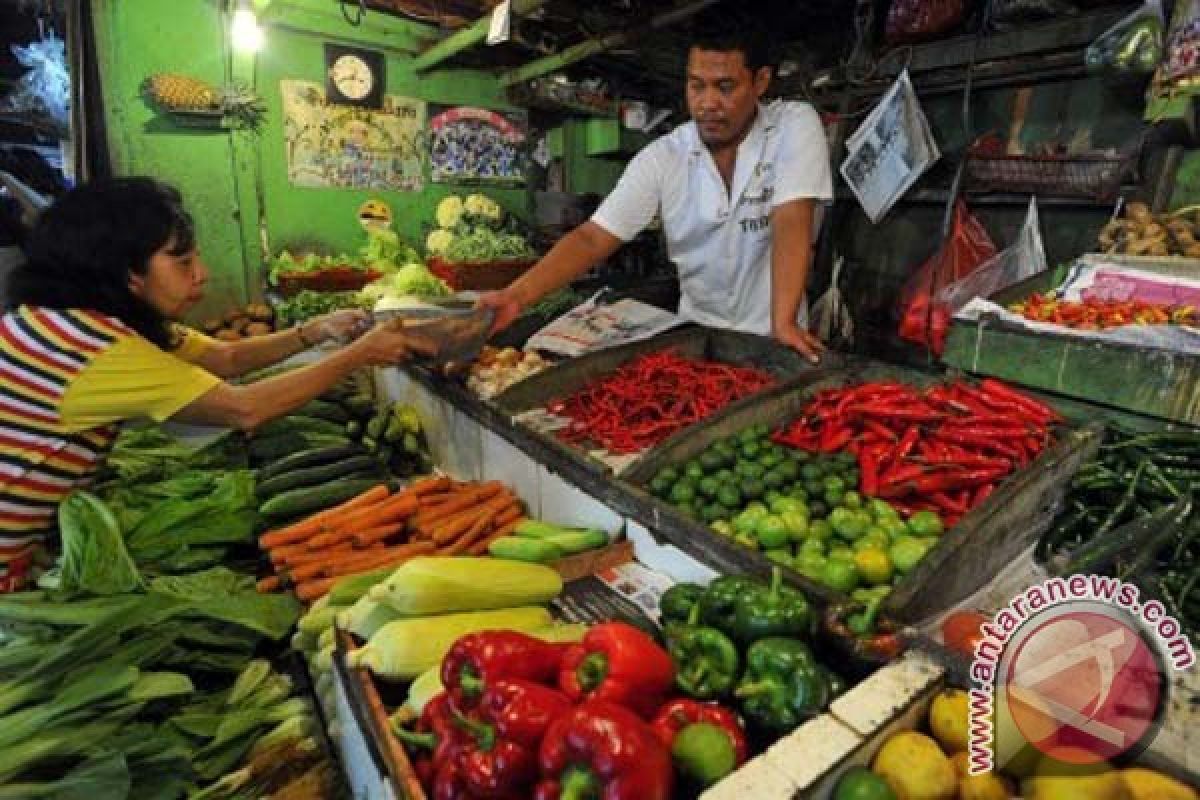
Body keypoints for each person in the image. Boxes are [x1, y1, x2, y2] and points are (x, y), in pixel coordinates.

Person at [0, 177, 430, 590]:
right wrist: (359, 354)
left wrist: (312, 332)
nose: (202, 274)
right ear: (127, 272)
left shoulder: (74, 320)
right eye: (183, 261)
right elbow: (244, 409)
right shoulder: (93, 347)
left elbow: (225, 358)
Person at [481, 15, 833, 361]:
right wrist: (515, 296)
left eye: (725, 87)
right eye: (696, 85)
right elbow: (592, 237)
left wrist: (783, 323)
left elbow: (791, 220)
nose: (708, 103)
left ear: (760, 82)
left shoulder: (793, 126)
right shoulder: (664, 157)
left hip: (776, 341)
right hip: (700, 343)